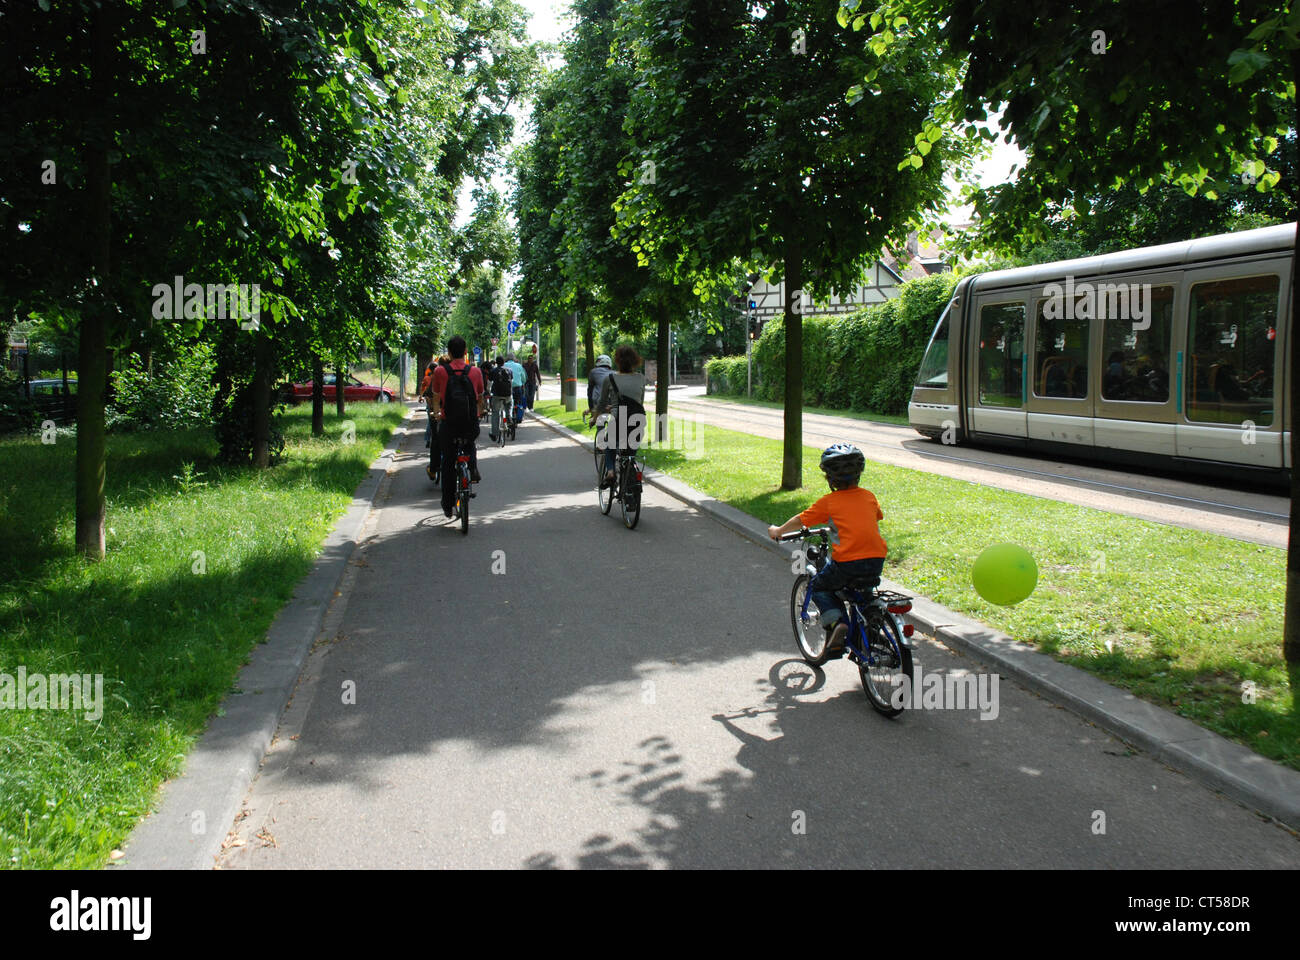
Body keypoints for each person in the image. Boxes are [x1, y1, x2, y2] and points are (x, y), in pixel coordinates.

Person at [766, 444, 887, 656]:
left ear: (830, 479)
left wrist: (779, 530)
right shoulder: (869, 496)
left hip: (848, 563)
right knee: (862, 592)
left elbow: (801, 520)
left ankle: (837, 624)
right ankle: (872, 622)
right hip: (876, 560)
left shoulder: (830, 502)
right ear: (859, 474)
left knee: (820, 586)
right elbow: (876, 516)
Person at [431, 336, 485, 518]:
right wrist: (479, 413)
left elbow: (437, 398)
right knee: (470, 443)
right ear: (465, 351)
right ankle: (473, 468)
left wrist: (438, 414)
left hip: (449, 424)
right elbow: (480, 398)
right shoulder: (476, 372)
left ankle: (447, 504)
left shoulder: (440, 371)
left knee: (448, 462)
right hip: (469, 423)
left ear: (448, 351)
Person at [590, 345, 646, 487]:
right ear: (635, 361)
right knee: (630, 454)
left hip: (619, 419)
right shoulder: (641, 378)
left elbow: (601, 403)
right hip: (638, 419)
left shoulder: (610, 378)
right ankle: (631, 474)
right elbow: (639, 401)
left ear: (617, 361)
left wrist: (595, 417)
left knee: (609, 444)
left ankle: (610, 472)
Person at [488, 354, 514, 441]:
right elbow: (511, 381)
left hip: (496, 395)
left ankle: (495, 434)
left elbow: (489, 382)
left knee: (495, 413)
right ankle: (508, 416)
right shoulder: (509, 370)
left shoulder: (493, 371)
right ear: (504, 362)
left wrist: (488, 391)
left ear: (496, 362)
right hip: (507, 395)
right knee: (509, 405)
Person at [503, 352, 527, 427]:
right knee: (518, 402)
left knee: (506, 404)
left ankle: (507, 416)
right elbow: (524, 378)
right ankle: (517, 415)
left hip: (506, 389)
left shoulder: (504, 365)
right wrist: (522, 382)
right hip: (517, 388)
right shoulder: (519, 366)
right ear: (514, 359)